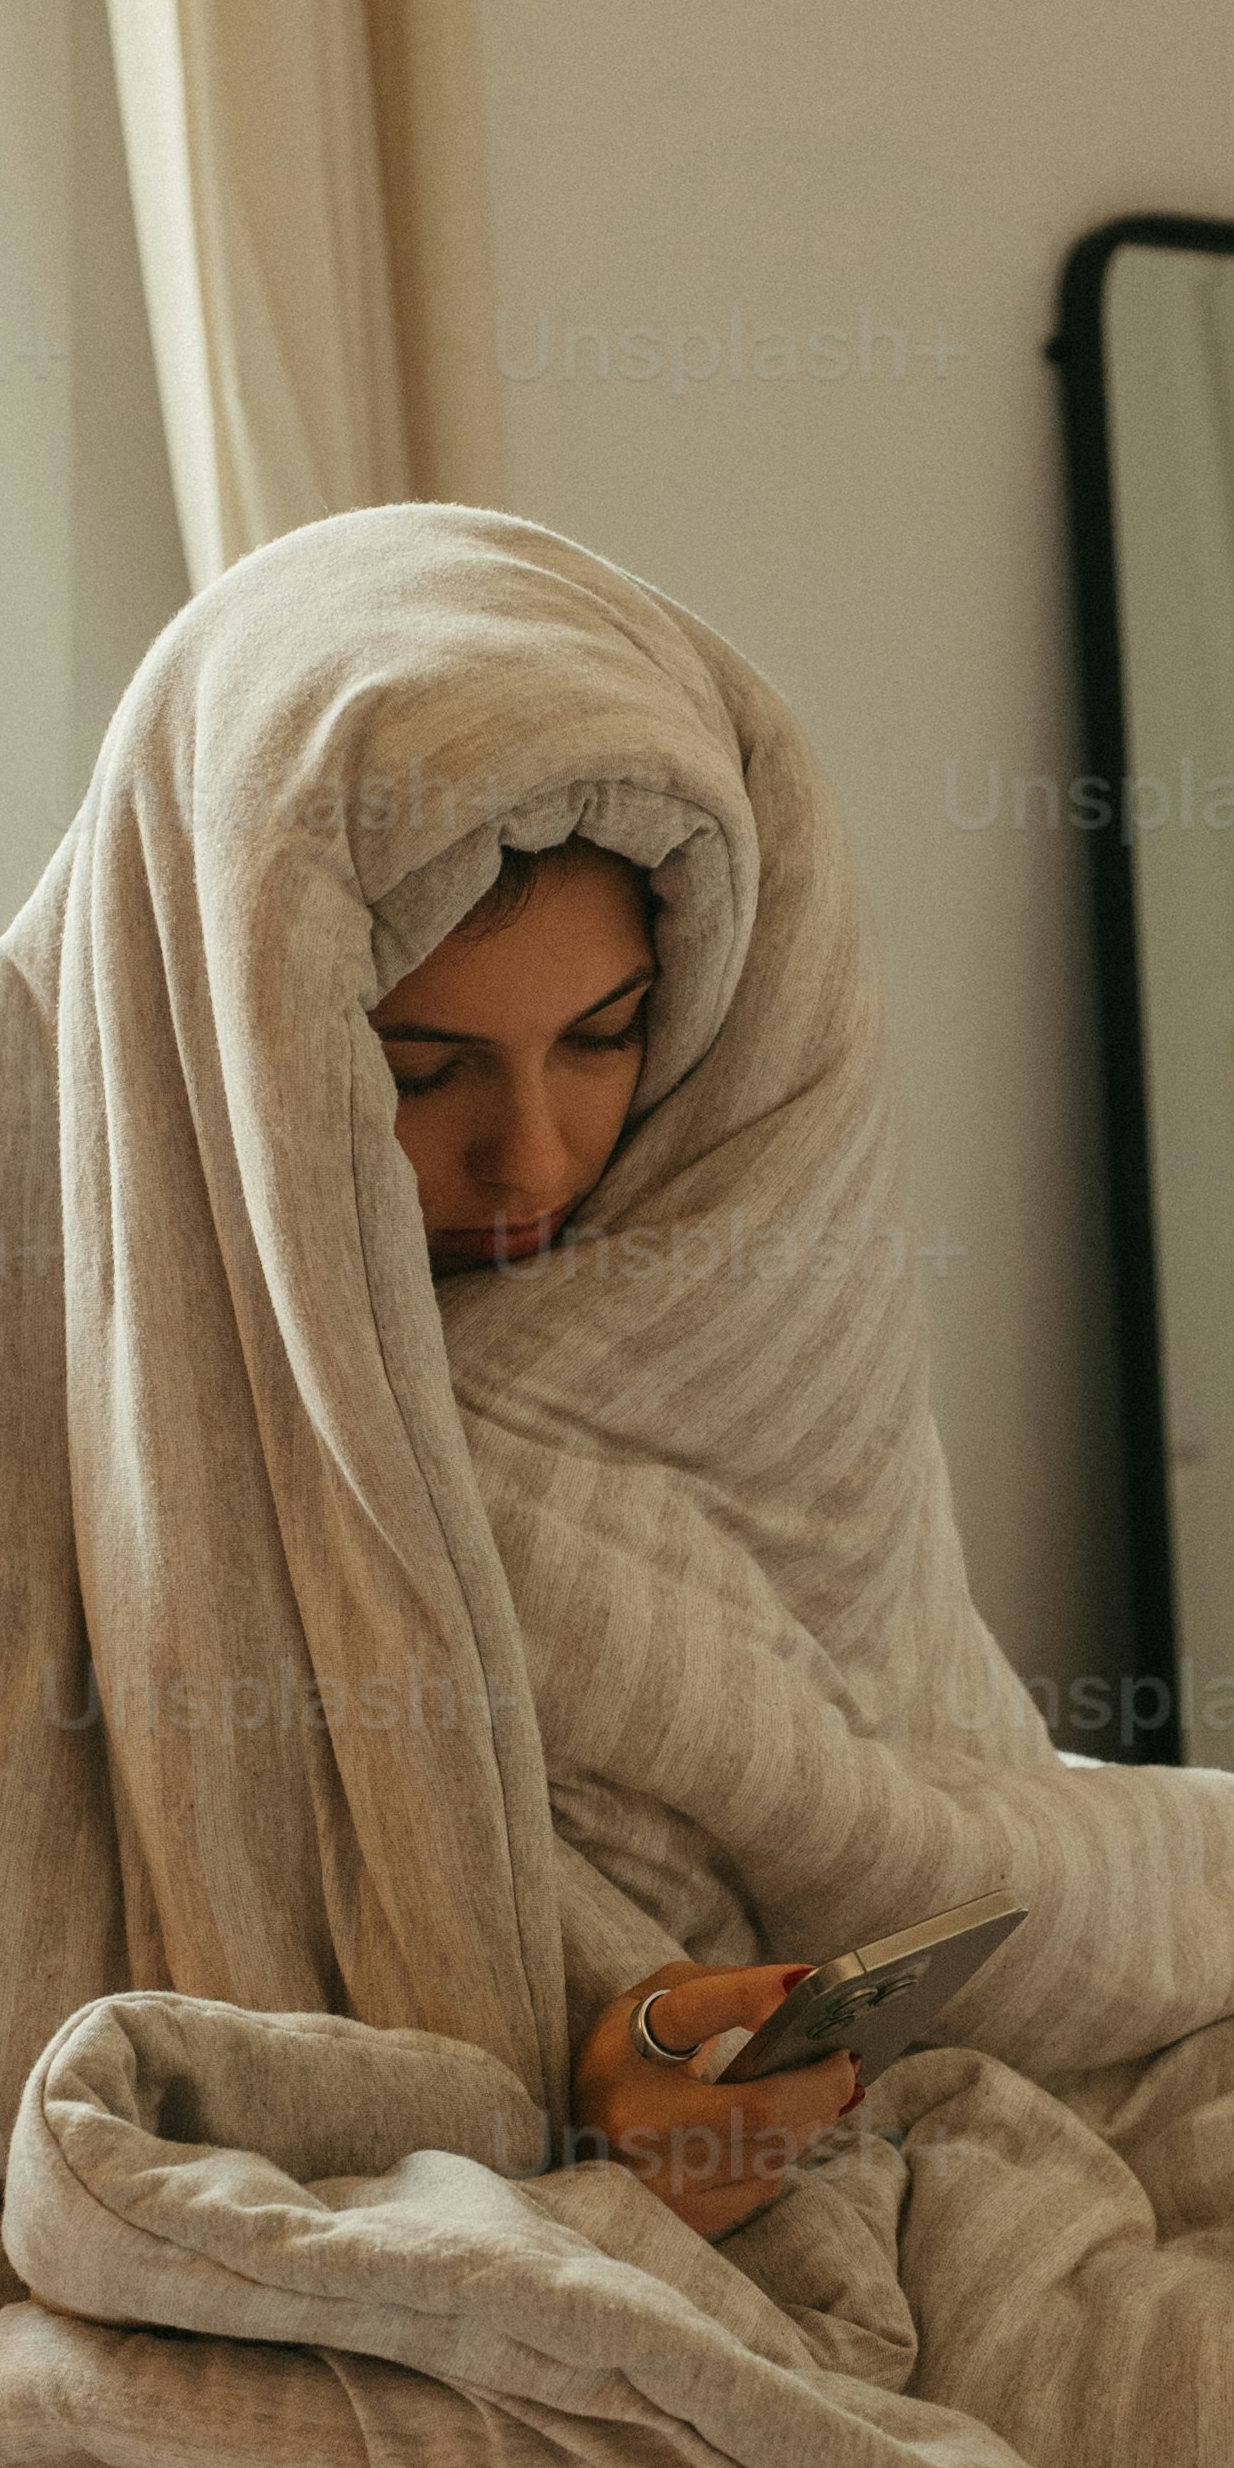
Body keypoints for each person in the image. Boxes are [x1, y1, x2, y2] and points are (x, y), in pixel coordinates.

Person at [373, 831, 854, 2246]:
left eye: (603, 1037)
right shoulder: (49, 1381)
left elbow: (889, 1736)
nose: (530, 1155)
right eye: (417, 1073)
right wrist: (591, 2033)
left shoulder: (739, 1311)